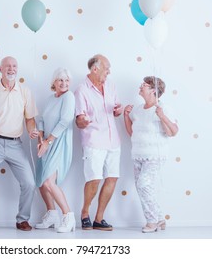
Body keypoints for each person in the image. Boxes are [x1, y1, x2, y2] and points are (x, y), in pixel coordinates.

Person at [0, 56, 38, 232]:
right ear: (0, 69)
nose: (11, 69)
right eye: (7, 66)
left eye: (14, 66)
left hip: (15, 144)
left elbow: (30, 118)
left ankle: (22, 220)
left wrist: (32, 130)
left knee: (29, 183)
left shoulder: (25, 91)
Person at [123, 76, 178, 233]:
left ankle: (152, 221)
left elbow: (173, 132)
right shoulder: (139, 110)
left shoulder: (163, 108)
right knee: (143, 188)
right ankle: (160, 218)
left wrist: (162, 117)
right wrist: (126, 116)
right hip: (137, 155)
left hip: (155, 155)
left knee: (144, 184)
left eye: (144, 85)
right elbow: (131, 132)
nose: (140, 87)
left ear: (153, 90)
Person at [74, 54, 123, 231]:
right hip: (94, 140)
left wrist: (118, 110)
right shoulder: (81, 90)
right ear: (95, 69)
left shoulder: (111, 86)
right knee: (94, 179)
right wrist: (83, 121)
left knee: (112, 178)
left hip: (113, 141)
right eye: (106, 68)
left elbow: (115, 109)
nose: (109, 72)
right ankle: (85, 213)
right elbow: (79, 120)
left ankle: (99, 218)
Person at [35, 68, 76, 233]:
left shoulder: (69, 97)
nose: (64, 83)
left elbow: (66, 120)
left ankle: (68, 216)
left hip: (59, 143)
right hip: (46, 142)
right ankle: (52, 214)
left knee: (48, 182)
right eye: (60, 80)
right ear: (54, 82)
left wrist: (48, 141)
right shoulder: (50, 98)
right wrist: (41, 139)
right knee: (40, 181)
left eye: (67, 80)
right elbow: (42, 120)